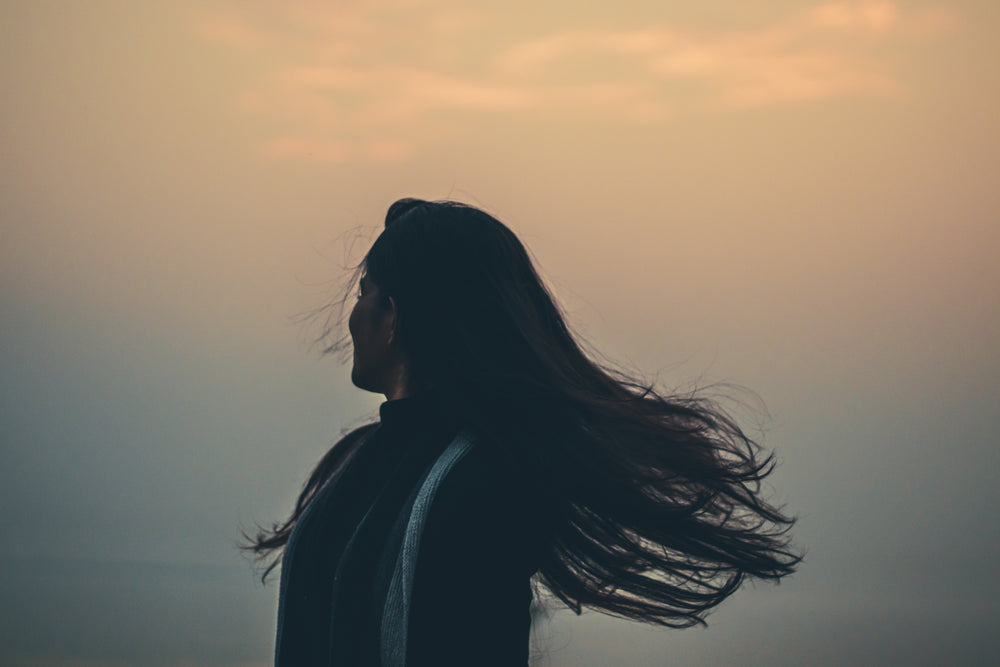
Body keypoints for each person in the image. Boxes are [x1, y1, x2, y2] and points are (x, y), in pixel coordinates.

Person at [245, 198, 800, 666]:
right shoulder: (363, 461)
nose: (353, 315)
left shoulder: (478, 482)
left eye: (363, 292)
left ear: (392, 315)